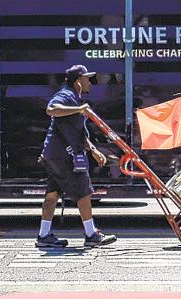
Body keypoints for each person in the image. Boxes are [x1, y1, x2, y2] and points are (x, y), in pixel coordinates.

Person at [36, 64, 117, 249]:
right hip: (63, 156)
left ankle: (43, 235)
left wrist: (94, 150)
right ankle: (91, 234)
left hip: (53, 155)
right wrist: (79, 109)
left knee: (52, 195)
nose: (90, 82)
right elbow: (51, 109)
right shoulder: (66, 95)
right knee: (84, 192)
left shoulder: (75, 98)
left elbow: (77, 131)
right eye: (87, 78)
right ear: (78, 81)